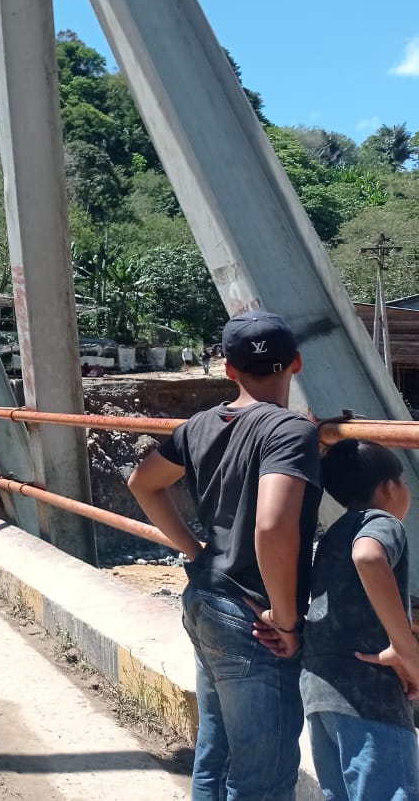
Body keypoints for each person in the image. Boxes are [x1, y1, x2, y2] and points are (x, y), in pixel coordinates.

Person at [127, 310, 321, 800]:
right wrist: (287, 618)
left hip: (207, 599)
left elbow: (142, 483)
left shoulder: (196, 427)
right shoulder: (290, 432)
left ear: (229, 369)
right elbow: (273, 527)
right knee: (263, 775)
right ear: (295, 363)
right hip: (256, 617)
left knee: (216, 752)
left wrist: (193, 550)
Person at [301, 440, 419, 800]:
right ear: (389, 487)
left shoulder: (336, 531)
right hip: (368, 697)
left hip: (320, 689)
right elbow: (368, 557)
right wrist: (405, 647)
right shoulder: (382, 522)